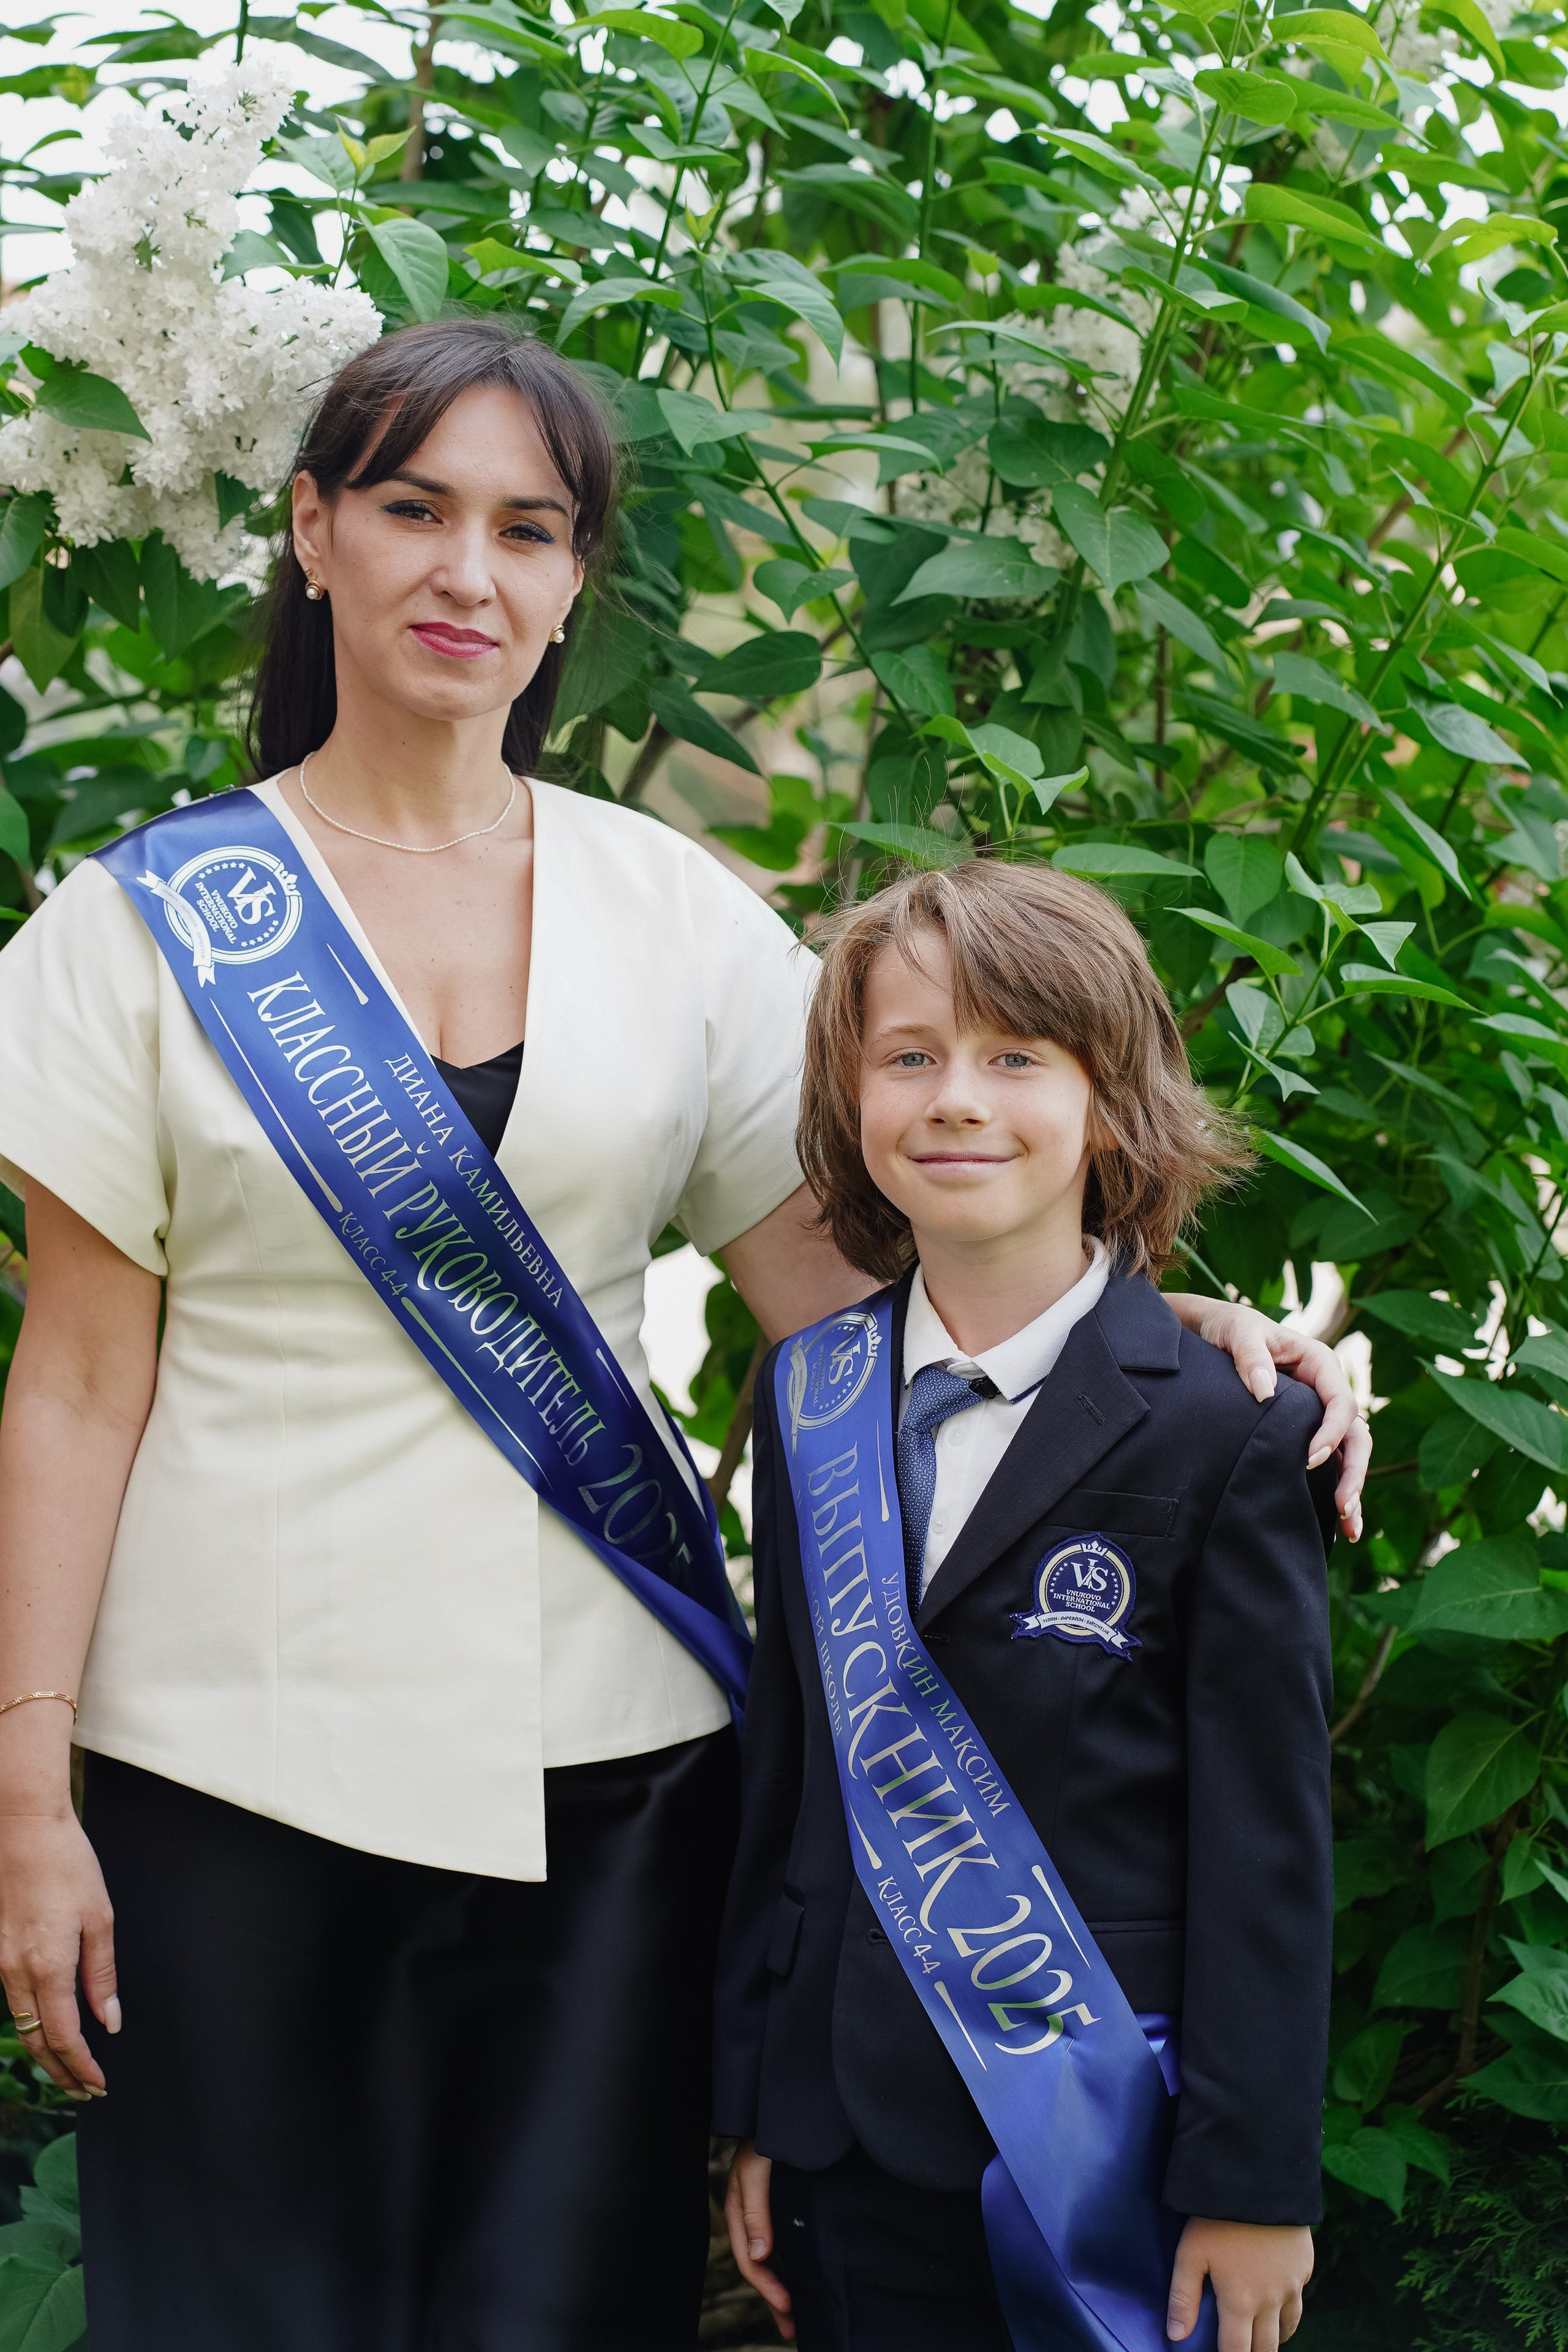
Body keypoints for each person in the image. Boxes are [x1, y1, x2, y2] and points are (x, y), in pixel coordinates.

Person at [0, 317, 1362, 2352]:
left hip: (616, 1776)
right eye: (414, 510)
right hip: (227, 1778)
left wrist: (1166, 1340)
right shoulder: (135, 931)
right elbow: (77, 1381)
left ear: (574, 581)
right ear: (310, 531)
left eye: (527, 530)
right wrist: (26, 1791)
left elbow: (869, 1297)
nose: (469, 573)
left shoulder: (683, 918)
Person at [717, 862, 1337, 2352]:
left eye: (1014, 1057)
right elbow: (787, 1779)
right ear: (849, 1099)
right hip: (843, 2133)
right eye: (907, 1056)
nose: (954, 1100)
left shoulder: (1225, 1428)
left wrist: (1253, 2182)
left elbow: (1265, 1839)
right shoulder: (805, 1395)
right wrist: (762, 2106)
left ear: (1109, 1104)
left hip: (1107, 2136)